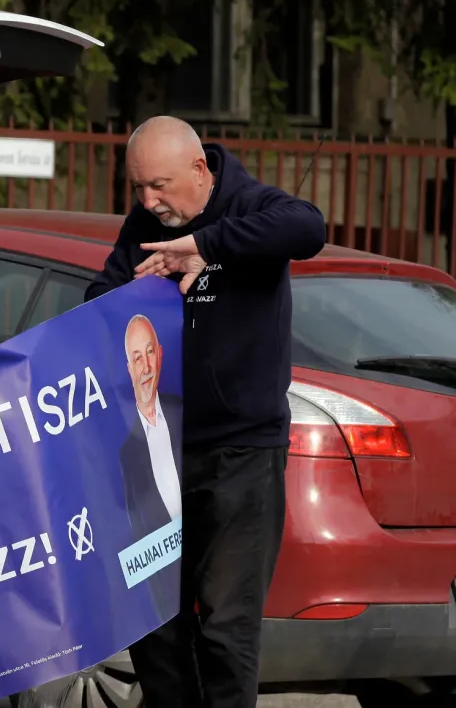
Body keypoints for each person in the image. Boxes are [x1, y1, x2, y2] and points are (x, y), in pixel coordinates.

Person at [85, 116, 326, 708]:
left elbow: (308, 228)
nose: (149, 201)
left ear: (200, 170)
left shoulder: (252, 204)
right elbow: (99, 303)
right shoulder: (145, 225)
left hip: (240, 455)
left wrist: (202, 246)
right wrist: (147, 292)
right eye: (138, 187)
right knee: (154, 627)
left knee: (225, 627)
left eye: (160, 186)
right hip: (158, 456)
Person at [119, 314, 183, 615]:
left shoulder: (185, 413)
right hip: (160, 592)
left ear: (160, 354)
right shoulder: (121, 449)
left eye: (149, 353)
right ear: (129, 370)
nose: (145, 367)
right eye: (136, 358)